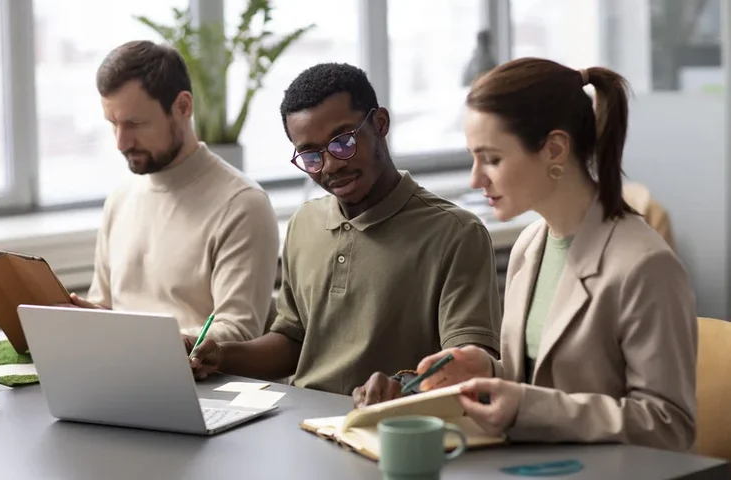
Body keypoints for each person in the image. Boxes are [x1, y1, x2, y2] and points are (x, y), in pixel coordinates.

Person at [411, 58, 697, 452]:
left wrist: (524, 406)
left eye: (492, 159)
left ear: (555, 150)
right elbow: (545, 383)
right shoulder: (529, 246)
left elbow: (669, 426)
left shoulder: (646, 266)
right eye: (474, 158)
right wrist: (490, 371)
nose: (476, 179)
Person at [186, 62, 502, 397]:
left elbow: (467, 366)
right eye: (311, 155)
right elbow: (293, 341)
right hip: (300, 418)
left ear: (380, 124)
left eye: (343, 142)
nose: (332, 165)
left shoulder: (456, 233)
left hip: (389, 421)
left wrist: (401, 387)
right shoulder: (304, 224)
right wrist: (220, 355)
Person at [69, 40, 279, 343]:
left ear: (183, 106)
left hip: (194, 373)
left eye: (135, 123)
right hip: (120, 366)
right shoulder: (120, 200)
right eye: (113, 123)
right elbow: (105, 308)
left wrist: (146, 343)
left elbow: (238, 332)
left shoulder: (243, 206)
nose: (121, 142)